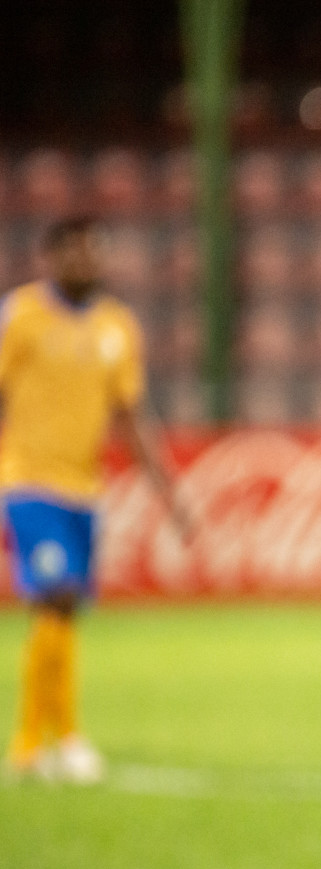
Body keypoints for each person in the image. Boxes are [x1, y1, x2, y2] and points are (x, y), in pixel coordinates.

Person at [1, 216, 185, 784]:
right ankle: (40, 744)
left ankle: (48, 740)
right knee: (54, 595)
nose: (89, 260)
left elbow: (131, 414)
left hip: (85, 491)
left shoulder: (116, 325)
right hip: (29, 482)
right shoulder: (22, 315)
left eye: (96, 249)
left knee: (65, 609)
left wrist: (170, 493)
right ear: (52, 255)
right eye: (77, 250)